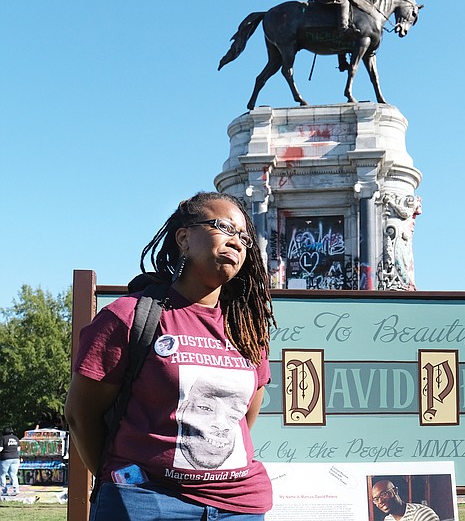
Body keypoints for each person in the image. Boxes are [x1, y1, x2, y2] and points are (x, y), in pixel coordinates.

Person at [65, 191, 276, 521]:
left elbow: (242, 418)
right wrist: (124, 479)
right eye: (224, 227)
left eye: (244, 237)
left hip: (238, 506)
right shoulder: (129, 316)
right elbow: (81, 414)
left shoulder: (247, 330)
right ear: (184, 238)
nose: (236, 241)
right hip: (146, 503)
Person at [371, 479, 440, 521]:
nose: (380, 501)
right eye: (376, 499)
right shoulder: (388, 519)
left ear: (395, 491)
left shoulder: (422, 514)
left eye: (383, 494)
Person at [0, 426, 20, 495]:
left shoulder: (3, 438)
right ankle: (16, 490)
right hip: (16, 458)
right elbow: (18, 449)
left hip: (5, 458)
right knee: (13, 474)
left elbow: (0, 449)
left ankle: (4, 490)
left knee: (2, 475)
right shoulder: (16, 438)